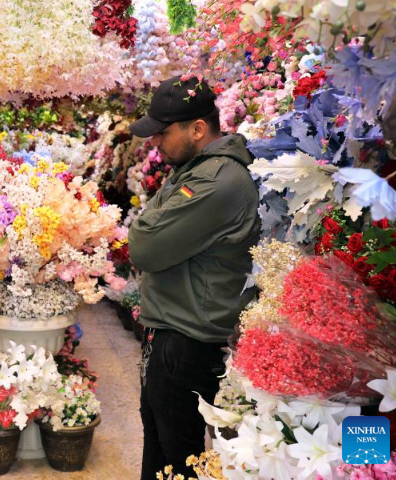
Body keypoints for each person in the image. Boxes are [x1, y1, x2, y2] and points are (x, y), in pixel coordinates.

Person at [127, 76, 261, 479]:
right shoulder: (194, 169)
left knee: (180, 461)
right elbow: (148, 228)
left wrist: (149, 222)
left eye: (162, 133)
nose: (156, 143)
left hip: (188, 342)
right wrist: (150, 220)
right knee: (160, 450)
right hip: (171, 333)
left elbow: (143, 245)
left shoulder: (218, 180)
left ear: (197, 129)